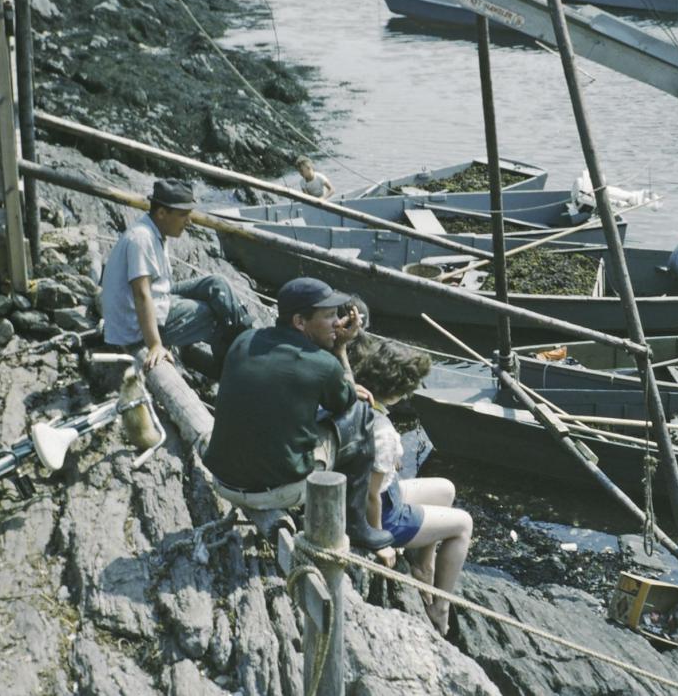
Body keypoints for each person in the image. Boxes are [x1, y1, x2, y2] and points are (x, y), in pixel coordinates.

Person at [203, 277, 393, 551]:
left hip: (223, 482)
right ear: (300, 322)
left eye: (338, 315)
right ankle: (356, 524)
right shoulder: (323, 364)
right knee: (362, 414)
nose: (338, 323)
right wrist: (340, 348)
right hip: (275, 494)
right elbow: (348, 403)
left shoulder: (245, 340)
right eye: (329, 316)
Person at [354, 337, 473, 636]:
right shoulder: (382, 431)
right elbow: (371, 496)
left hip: (382, 494)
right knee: (463, 524)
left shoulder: (356, 398)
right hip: (382, 514)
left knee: (445, 489)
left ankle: (424, 566)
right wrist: (380, 540)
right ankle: (439, 607)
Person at [100, 179, 251, 371]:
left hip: (156, 300)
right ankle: (236, 370)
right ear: (162, 213)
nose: (189, 221)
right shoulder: (142, 239)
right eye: (183, 215)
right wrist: (155, 345)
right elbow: (141, 295)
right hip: (134, 327)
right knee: (213, 317)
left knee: (216, 284)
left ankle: (246, 336)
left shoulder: (154, 230)